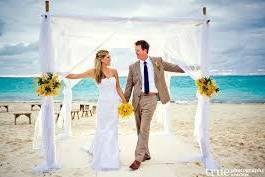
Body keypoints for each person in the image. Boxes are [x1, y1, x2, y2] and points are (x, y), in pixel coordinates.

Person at [124, 40, 185, 170]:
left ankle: (138, 158)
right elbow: (129, 86)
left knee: (144, 128)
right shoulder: (133, 67)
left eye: (138, 51)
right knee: (140, 127)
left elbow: (174, 68)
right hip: (137, 99)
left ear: (145, 50)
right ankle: (146, 154)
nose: (136, 53)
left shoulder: (158, 61)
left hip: (151, 99)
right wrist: (125, 102)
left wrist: (192, 68)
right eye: (135, 51)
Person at [66, 49, 126, 171]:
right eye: (108, 57)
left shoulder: (114, 71)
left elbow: (118, 88)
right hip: (103, 105)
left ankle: (112, 153)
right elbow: (75, 76)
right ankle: (103, 155)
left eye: (110, 57)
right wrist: (60, 74)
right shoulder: (94, 72)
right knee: (103, 129)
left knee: (113, 129)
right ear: (101, 59)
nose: (110, 59)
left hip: (114, 104)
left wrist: (125, 102)